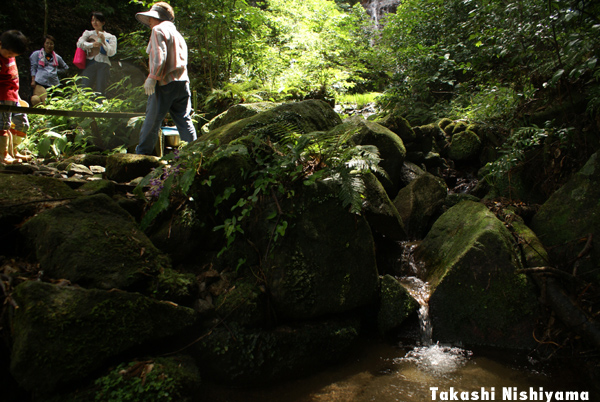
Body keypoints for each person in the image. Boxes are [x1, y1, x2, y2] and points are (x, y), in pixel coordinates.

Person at [134, 2, 197, 155]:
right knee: (184, 120)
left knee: (152, 120)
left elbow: (159, 55)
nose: (149, 21)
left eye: (151, 18)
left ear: (158, 18)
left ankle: (141, 156)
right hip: (182, 82)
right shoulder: (178, 34)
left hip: (164, 82)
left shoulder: (158, 30)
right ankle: (195, 153)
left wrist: (152, 77)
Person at [0, 30, 30, 164]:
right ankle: (3, 154)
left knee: (21, 123)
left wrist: (17, 96)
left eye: (13, 55)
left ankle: (13, 150)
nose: (11, 56)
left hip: (13, 95)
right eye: (9, 54)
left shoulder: (10, 56)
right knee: (3, 126)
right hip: (2, 96)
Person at [76, 11, 117, 95]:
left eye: (97, 20)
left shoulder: (110, 37)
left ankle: (100, 103)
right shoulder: (88, 33)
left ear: (103, 22)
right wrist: (91, 45)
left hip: (103, 64)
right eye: (92, 20)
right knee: (85, 87)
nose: (94, 22)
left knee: (100, 89)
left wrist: (104, 42)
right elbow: (79, 44)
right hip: (90, 62)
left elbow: (112, 53)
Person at [29, 34, 69, 106]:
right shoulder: (37, 54)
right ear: (44, 44)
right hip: (40, 82)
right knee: (37, 99)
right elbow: (33, 67)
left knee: (52, 102)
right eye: (47, 43)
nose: (49, 45)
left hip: (53, 84)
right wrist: (33, 80)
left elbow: (65, 68)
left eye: (51, 44)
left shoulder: (57, 57)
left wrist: (56, 72)